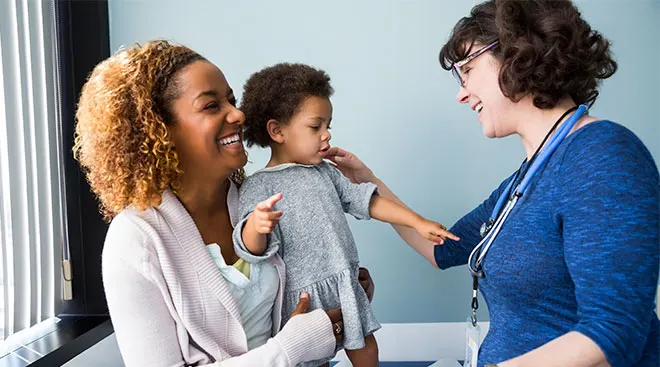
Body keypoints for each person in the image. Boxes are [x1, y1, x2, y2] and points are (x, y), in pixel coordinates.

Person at [324, 1, 659, 366]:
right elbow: (441, 250)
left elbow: (614, 332)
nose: (461, 92)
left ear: (518, 54)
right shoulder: (523, 182)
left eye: (467, 70)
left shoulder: (602, 155)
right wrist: (368, 181)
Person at [73, 40, 375, 367]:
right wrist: (292, 347)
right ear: (159, 130)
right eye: (211, 105)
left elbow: (303, 307)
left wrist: (344, 296)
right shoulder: (136, 240)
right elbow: (297, 341)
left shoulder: (255, 198)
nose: (238, 113)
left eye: (231, 99)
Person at [231, 63, 459, 367]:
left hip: (342, 280)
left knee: (365, 347)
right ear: (277, 130)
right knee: (310, 359)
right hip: (302, 297)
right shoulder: (259, 185)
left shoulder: (326, 173)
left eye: (328, 126)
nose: (326, 136)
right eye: (316, 127)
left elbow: (368, 201)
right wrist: (257, 227)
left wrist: (416, 221)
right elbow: (249, 249)